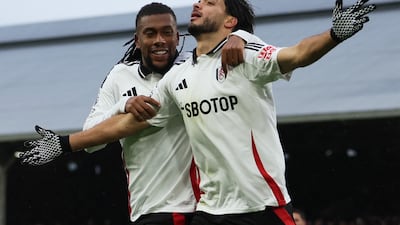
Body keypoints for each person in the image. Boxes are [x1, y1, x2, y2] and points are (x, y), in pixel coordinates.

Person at [17, 0, 376, 225]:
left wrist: (334, 34)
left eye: (209, 1)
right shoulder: (175, 78)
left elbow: (296, 54)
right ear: (138, 37)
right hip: (206, 212)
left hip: (259, 205)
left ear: (229, 20)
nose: (198, 4)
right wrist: (65, 143)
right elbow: (125, 124)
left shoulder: (246, 52)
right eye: (150, 33)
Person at [16, 2, 248, 225]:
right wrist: (123, 104)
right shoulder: (119, 76)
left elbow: (239, 45)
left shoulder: (194, 67)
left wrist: (241, 37)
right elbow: (91, 139)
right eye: (150, 33)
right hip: (144, 207)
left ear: (178, 37)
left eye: (167, 32)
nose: (160, 40)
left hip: (191, 206)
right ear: (137, 40)